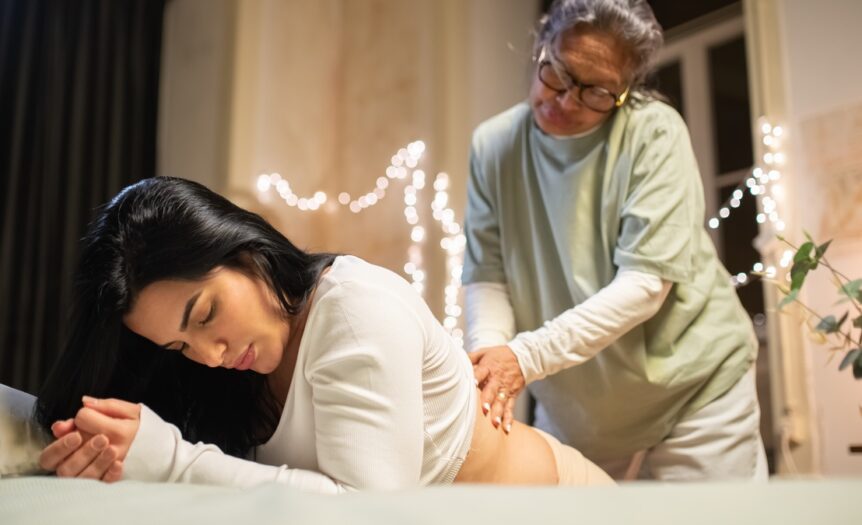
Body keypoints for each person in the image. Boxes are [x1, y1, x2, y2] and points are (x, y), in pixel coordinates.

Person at [34, 176, 614, 491]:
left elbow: (367, 513)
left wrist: (170, 460)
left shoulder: (354, 311)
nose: (209, 356)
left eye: (206, 314)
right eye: (180, 347)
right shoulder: (230, 372)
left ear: (245, 251)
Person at [463, 0, 768, 481]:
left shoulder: (654, 132)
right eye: (556, 74)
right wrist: (490, 362)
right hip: (578, 409)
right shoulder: (493, 146)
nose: (566, 101)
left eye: (598, 92)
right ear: (541, 48)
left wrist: (524, 357)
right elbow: (488, 274)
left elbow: (645, 285)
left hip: (693, 393)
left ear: (628, 91)